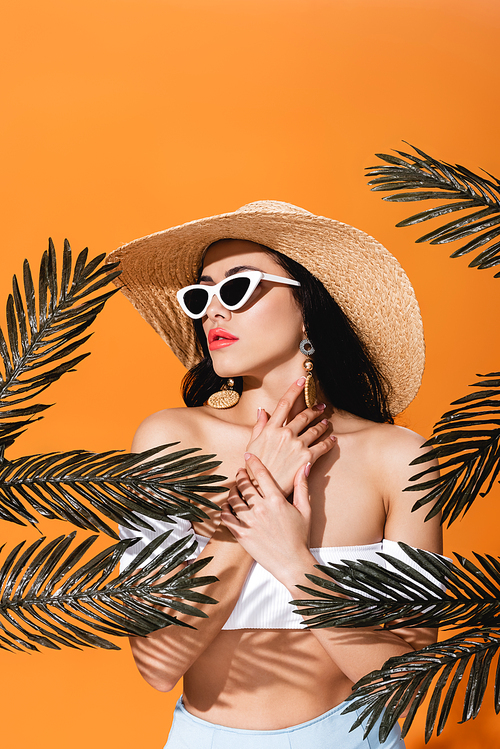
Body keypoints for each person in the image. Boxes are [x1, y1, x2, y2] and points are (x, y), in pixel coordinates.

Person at [107, 200, 442, 748]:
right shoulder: (171, 440)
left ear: (308, 306)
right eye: (201, 296)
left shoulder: (398, 457)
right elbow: (157, 661)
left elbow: (415, 692)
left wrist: (294, 562)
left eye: (236, 289)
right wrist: (256, 486)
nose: (213, 312)